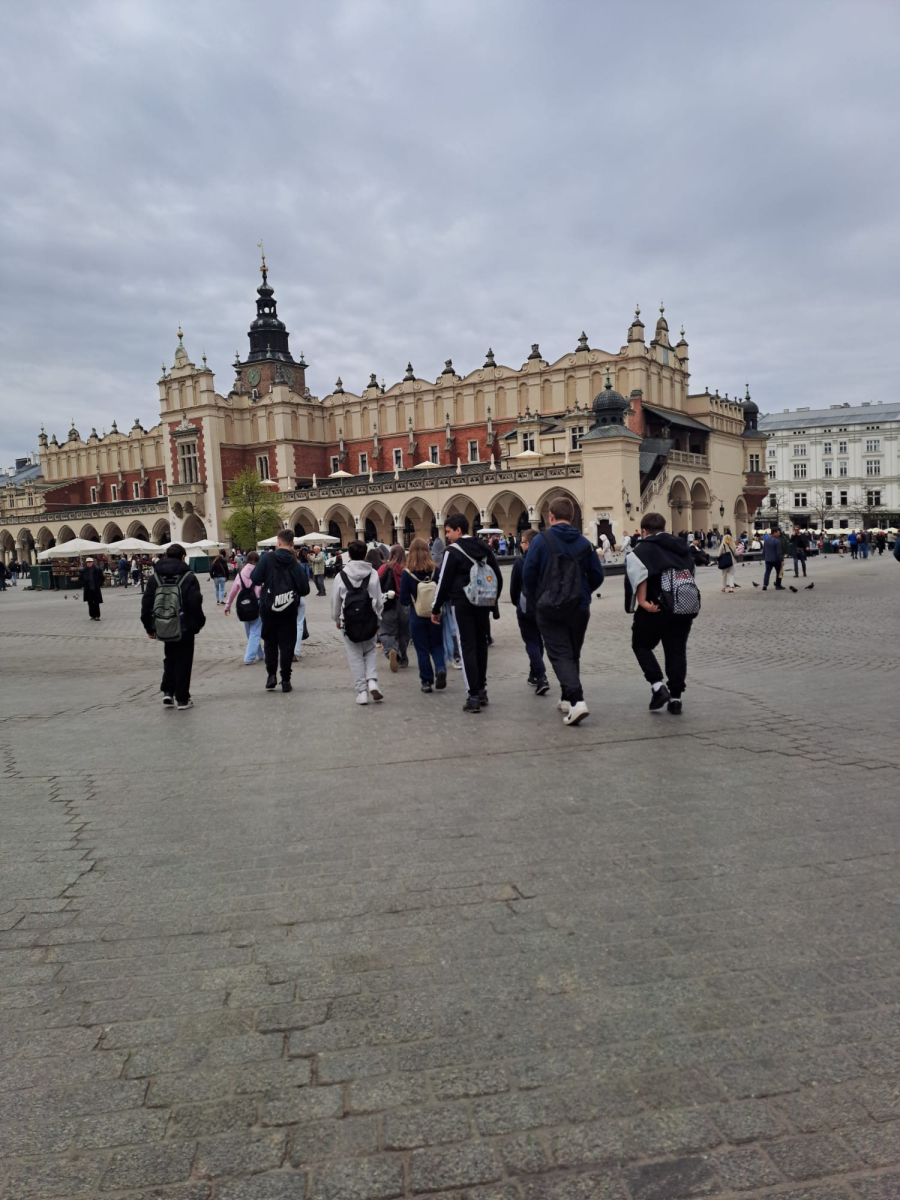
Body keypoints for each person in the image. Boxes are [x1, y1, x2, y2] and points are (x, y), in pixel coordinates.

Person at [522, 497, 604, 726]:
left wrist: (540, 596)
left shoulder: (540, 541)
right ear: (572, 516)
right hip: (579, 607)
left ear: (550, 516)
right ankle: (567, 697)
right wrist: (583, 593)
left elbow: (528, 574)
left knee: (559, 653)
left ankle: (577, 701)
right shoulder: (584, 543)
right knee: (572, 651)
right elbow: (597, 575)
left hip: (550, 607)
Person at [625, 512, 698, 715]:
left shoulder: (642, 549)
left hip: (654, 608)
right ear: (664, 528)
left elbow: (639, 574)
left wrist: (641, 601)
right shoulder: (681, 547)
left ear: (644, 531)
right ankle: (676, 699)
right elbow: (691, 573)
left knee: (641, 644)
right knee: (676, 650)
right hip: (682, 607)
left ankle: (658, 686)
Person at [432, 513, 502, 713]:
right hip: (483, 603)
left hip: (462, 604)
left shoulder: (452, 551)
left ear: (458, 530)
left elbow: (443, 582)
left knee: (467, 648)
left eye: (448, 531)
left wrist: (436, 608)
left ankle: (473, 696)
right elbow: (497, 576)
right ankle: (482, 689)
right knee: (481, 645)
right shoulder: (484, 548)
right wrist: (493, 603)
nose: (447, 536)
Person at [140, 544, 206, 709]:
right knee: (184, 660)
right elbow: (195, 602)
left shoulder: (156, 577)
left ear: (166, 556)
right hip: (184, 625)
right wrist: (199, 623)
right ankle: (182, 698)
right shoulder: (188, 577)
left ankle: (168, 692)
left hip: (163, 624)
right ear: (183, 557)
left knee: (170, 656)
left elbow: (147, 602)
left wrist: (149, 627)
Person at [250, 529, 310, 693]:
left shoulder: (267, 558)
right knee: (287, 644)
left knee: (270, 641)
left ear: (278, 542)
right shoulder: (294, 562)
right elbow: (304, 589)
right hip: (288, 609)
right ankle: (286, 680)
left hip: (269, 607)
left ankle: (271, 676)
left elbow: (255, 578)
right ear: (292, 544)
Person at [332, 539, 385, 704]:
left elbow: (335, 601)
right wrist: (378, 620)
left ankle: (362, 692)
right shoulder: (373, 573)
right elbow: (379, 600)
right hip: (369, 618)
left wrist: (337, 618)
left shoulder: (341, 576)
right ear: (365, 555)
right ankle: (372, 681)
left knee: (355, 656)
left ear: (348, 555)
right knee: (370, 651)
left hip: (349, 621)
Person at [400, 538, 446, 693]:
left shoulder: (407, 573)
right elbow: (442, 592)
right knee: (437, 645)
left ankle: (426, 681)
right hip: (435, 613)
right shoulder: (435, 570)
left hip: (417, 615)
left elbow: (403, 599)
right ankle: (440, 668)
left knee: (422, 649)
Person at [508, 527, 549, 695]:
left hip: (526, 607)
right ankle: (534, 674)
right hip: (544, 606)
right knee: (539, 641)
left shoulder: (520, 562)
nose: (521, 545)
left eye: (523, 542)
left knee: (532, 642)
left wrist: (517, 603)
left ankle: (541, 677)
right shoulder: (546, 560)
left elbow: (514, 588)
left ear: (530, 544)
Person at [223, 550, 265, 664]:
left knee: (250, 632)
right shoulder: (260, 573)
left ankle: (260, 654)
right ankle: (249, 657)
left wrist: (228, 605)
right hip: (257, 603)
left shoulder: (240, 574)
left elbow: (233, 591)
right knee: (255, 631)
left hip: (244, 604)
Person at [378, 545, 411, 672]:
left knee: (387, 631)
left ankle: (391, 651)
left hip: (388, 603)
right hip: (404, 604)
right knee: (404, 633)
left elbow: (376, 584)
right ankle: (403, 659)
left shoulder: (384, 568)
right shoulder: (408, 568)